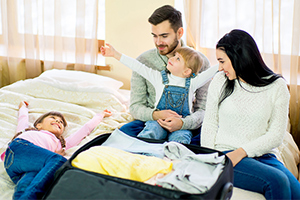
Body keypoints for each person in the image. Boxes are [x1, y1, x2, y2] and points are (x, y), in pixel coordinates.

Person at [201, 29, 300, 199]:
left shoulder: (277, 86)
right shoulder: (219, 81)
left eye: (222, 61)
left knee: (296, 191)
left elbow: (276, 135)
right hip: (226, 153)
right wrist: (212, 160)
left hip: (263, 155)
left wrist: (241, 152)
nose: (220, 67)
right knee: (277, 181)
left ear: (239, 57)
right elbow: (209, 124)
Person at [119, 5, 211, 145]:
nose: (158, 42)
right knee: (120, 139)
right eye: (154, 36)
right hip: (151, 121)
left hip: (186, 124)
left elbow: (203, 109)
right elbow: (136, 106)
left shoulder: (201, 62)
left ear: (179, 33)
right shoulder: (143, 61)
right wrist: (157, 115)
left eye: (164, 36)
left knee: (206, 143)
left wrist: (182, 123)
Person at [101, 44, 217, 144]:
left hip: (180, 125)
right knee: (150, 132)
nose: (172, 58)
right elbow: (137, 66)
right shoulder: (158, 78)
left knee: (181, 139)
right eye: (175, 55)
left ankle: (171, 159)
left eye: (178, 59)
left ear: (187, 71)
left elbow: (209, 73)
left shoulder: (193, 83)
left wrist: (222, 64)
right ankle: (143, 153)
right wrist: (115, 54)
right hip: (158, 122)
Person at [2, 101, 112, 200]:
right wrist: (23, 107)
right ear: (38, 125)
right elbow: (23, 118)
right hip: (18, 149)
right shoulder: (27, 131)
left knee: (25, 186)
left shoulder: (61, 144)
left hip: (21, 168)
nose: (57, 121)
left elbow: (85, 130)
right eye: (53, 118)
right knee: (59, 161)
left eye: (61, 122)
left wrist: (100, 115)